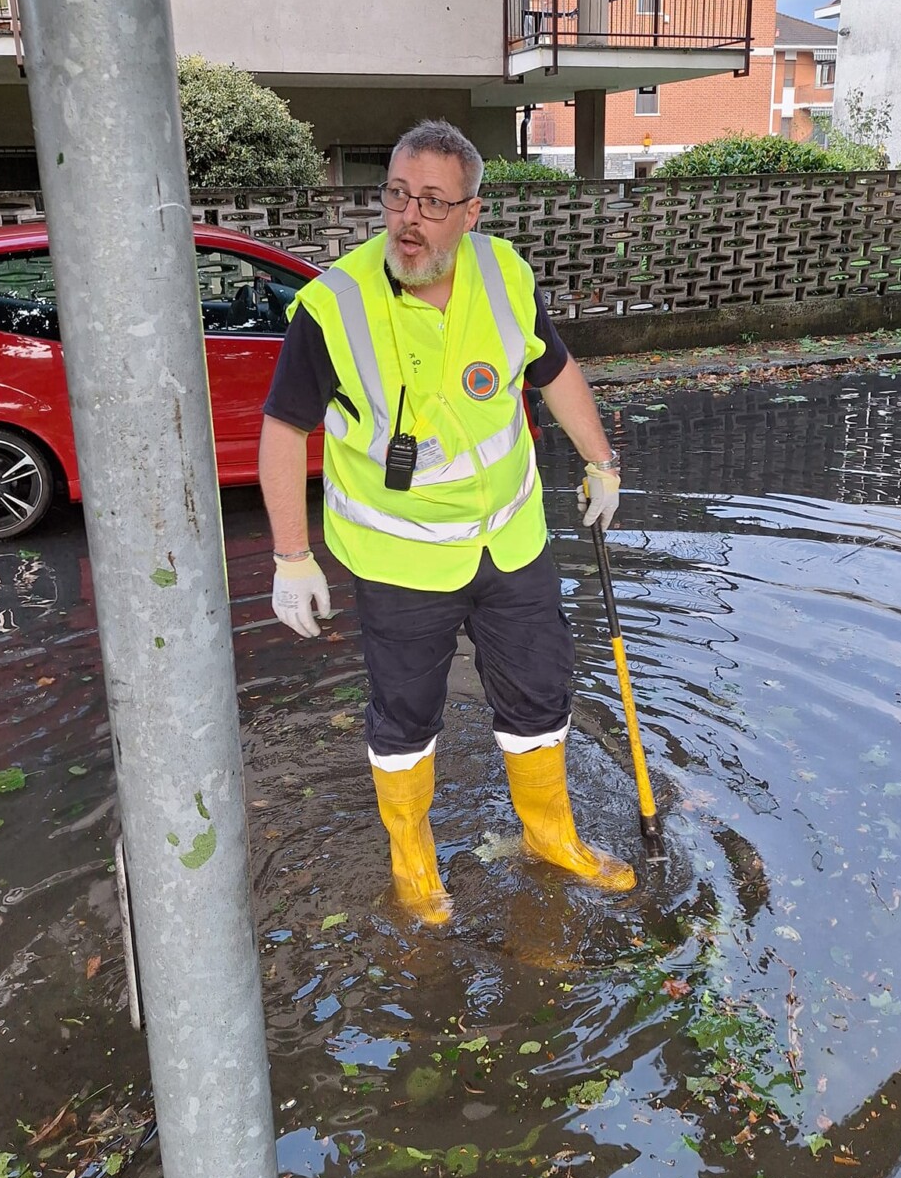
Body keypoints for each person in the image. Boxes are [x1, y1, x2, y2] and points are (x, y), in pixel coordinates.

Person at [258, 119, 634, 924]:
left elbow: (555, 371)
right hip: (403, 562)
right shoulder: (334, 305)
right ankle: (415, 869)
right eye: (397, 194)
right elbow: (284, 430)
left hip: (511, 542)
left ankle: (551, 837)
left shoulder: (504, 275)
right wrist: (292, 555)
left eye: (433, 201)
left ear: (472, 212)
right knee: (405, 715)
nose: (409, 218)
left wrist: (601, 462)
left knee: (539, 694)